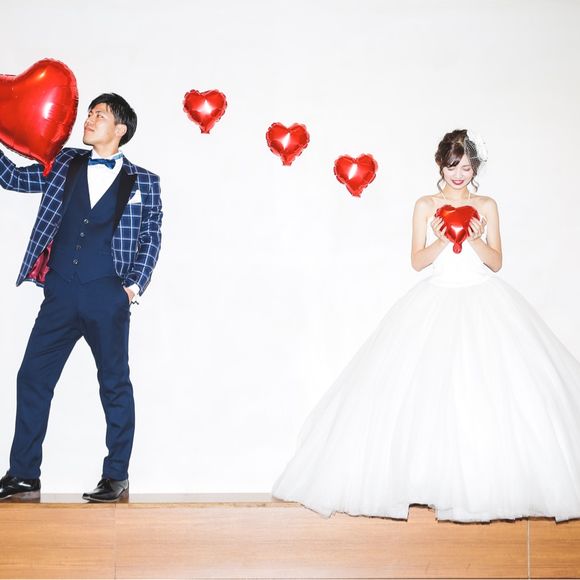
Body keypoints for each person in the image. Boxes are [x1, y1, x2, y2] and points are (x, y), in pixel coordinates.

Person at [272, 129, 580, 522]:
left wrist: (474, 238)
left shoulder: (487, 205)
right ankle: (427, 484)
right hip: (437, 296)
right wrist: (441, 238)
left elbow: (496, 261)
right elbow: (418, 261)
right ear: (440, 165)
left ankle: (482, 487)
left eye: (466, 168)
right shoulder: (425, 205)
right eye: (452, 167)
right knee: (427, 396)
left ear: (475, 168)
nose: (459, 175)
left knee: (486, 393)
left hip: (483, 297)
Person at [0, 93, 162, 503]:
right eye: (88, 113)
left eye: (98, 115)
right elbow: (14, 178)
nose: (88, 120)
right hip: (60, 293)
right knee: (32, 377)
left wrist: (132, 287)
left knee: (114, 384)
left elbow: (151, 236)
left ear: (120, 129)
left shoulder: (145, 181)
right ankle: (24, 474)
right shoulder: (64, 163)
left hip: (108, 295)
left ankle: (116, 476)